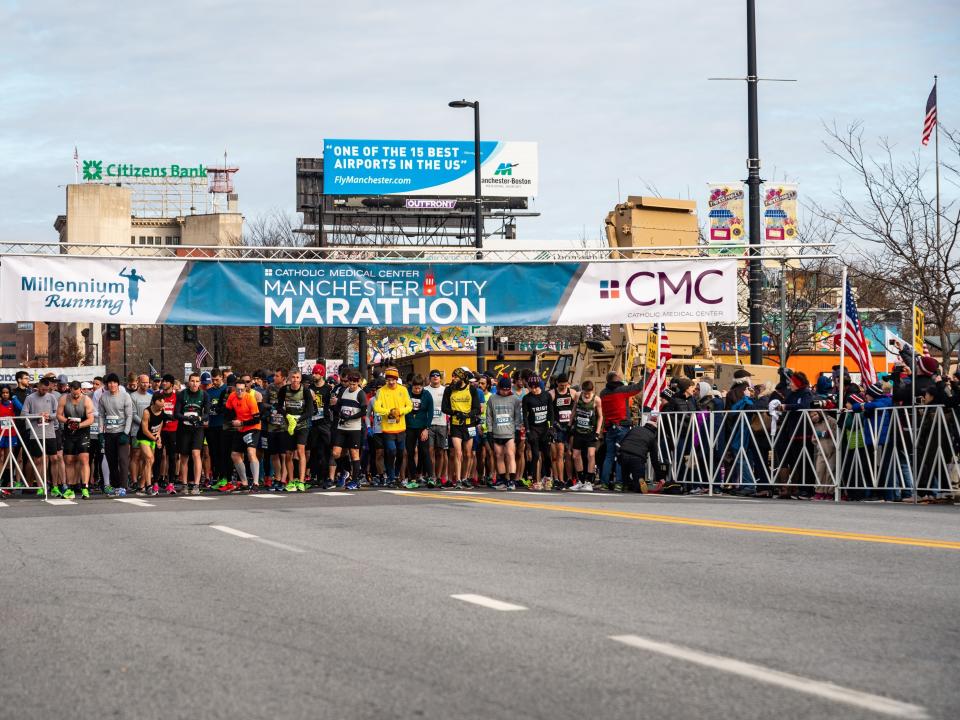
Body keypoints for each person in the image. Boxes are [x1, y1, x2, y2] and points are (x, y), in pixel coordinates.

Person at [599, 371, 644, 490]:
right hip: (622, 426)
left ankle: (604, 483)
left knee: (609, 456)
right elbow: (639, 387)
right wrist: (648, 374)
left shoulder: (603, 393)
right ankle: (619, 483)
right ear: (616, 379)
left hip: (609, 427)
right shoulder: (621, 390)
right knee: (620, 456)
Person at [442, 366, 481, 489]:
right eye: (452, 376)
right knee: (458, 453)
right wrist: (455, 412)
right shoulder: (449, 390)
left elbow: (477, 408)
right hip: (455, 424)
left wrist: (468, 414)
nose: (453, 379)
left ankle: (465, 477)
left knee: (468, 453)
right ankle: (458, 479)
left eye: (456, 377)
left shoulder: (472, 389)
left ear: (462, 378)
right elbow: (444, 408)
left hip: (469, 424)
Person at [277, 369, 315, 492]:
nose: (295, 380)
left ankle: (302, 481)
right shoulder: (284, 390)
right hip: (288, 425)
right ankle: (291, 481)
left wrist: (298, 419)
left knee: (300, 451)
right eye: (293, 377)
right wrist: (287, 416)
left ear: (300, 379)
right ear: (289, 378)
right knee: (288, 454)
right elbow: (278, 406)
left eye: (297, 377)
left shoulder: (306, 391)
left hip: (302, 425)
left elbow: (310, 411)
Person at [374, 367, 413, 488]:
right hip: (387, 428)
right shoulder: (381, 391)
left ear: (397, 379)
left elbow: (409, 406)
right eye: (388, 380)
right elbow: (377, 408)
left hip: (401, 428)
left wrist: (399, 411)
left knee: (401, 453)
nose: (391, 382)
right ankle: (391, 477)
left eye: (393, 380)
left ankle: (396, 475)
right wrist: (389, 412)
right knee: (391, 451)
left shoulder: (403, 390)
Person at [55, 381, 95, 499]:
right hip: (69, 432)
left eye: (78, 394)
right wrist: (68, 422)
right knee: (69, 460)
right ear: (70, 390)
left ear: (81, 390)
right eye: (74, 394)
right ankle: (70, 488)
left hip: (82, 431)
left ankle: (85, 487)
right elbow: (58, 415)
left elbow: (91, 419)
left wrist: (79, 425)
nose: (76, 396)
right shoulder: (63, 399)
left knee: (84, 459)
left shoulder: (86, 400)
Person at [328, 371, 367, 490]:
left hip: (354, 428)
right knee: (336, 453)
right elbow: (338, 404)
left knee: (354, 453)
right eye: (351, 383)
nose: (352, 386)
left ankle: (355, 481)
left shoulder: (360, 393)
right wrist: (338, 411)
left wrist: (350, 417)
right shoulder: (343, 391)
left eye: (355, 384)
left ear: (358, 382)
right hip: (342, 427)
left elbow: (363, 411)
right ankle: (345, 472)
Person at [21, 377, 60, 494]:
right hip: (36, 433)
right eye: (43, 389)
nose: (44, 392)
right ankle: (40, 486)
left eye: (47, 390)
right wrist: (38, 415)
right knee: (38, 460)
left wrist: (49, 416)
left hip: (50, 432)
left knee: (54, 458)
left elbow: (58, 413)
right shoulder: (30, 398)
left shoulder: (52, 397)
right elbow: (23, 414)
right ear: (38, 386)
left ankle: (55, 485)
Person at [99, 373, 135, 495]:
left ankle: (123, 486)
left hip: (122, 433)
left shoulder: (125, 396)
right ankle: (115, 486)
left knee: (123, 460)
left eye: (114, 382)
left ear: (118, 384)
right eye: (109, 383)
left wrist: (126, 433)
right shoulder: (103, 397)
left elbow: (129, 415)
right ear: (107, 385)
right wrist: (100, 432)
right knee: (111, 461)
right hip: (109, 433)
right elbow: (101, 416)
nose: (112, 385)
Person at [224, 377, 262, 492]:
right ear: (235, 389)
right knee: (235, 455)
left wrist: (242, 423)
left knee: (251, 452)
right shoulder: (232, 396)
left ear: (245, 389)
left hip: (253, 427)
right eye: (238, 390)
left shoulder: (250, 399)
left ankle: (255, 483)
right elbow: (227, 413)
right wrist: (233, 421)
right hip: (240, 428)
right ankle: (244, 482)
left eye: (242, 390)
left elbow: (256, 419)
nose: (239, 392)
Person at [175, 372, 210, 495]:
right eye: (192, 381)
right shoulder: (181, 394)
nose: (195, 384)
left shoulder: (204, 394)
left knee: (196, 453)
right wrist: (187, 418)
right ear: (188, 382)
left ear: (200, 383)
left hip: (197, 428)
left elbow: (207, 413)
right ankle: (184, 484)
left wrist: (199, 418)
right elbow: (176, 413)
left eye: (197, 381)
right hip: (184, 428)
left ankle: (196, 484)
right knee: (184, 456)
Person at [486, 376, 522, 490]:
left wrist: (517, 430)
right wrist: (490, 431)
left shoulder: (515, 399)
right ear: (498, 388)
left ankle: (512, 480)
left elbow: (517, 416)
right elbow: (489, 416)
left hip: (510, 433)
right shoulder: (492, 398)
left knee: (511, 455)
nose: (505, 392)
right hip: (497, 432)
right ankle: (502, 480)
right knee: (498, 456)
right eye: (503, 389)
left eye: (507, 389)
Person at [570, 380, 603, 491]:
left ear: (592, 390)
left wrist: (598, 432)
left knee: (591, 455)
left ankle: (589, 481)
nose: (587, 394)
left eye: (589, 392)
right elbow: (574, 409)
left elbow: (600, 417)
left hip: (590, 431)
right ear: (582, 390)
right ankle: (581, 480)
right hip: (579, 430)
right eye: (585, 392)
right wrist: (570, 424)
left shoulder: (596, 400)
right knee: (575, 455)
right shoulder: (578, 396)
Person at [522, 375, 554, 490]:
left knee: (547, 455)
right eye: (531, 387)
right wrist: (528, 431)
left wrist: (551, 428)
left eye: (535, 387)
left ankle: (547, 478)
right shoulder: (527, 398)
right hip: (533, 428)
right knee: (535, 455)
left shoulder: (547, 395)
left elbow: (551, 412)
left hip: (545, 428)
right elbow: (525, 416)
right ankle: (535, 480)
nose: (534, 390)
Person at [405, 375, 434, 488]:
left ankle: (430, 477)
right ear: (412, 386)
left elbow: (430, 413)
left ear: (422, 387)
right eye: (415, 388)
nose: (417, 390)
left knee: (425, 452)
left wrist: (427, 428)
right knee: (410, 453)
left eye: (419, 388)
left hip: (422, 427)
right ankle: (412, 479)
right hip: (409, 427)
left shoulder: (427, 395)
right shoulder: (407, 393)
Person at [618, 414, 660, 493]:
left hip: (623, 454)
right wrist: (660, 477)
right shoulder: (652, 437)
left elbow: (622, 442)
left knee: (625, 470)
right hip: (637, 458)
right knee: (639, 482)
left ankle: (626, 484)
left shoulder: (635, 429)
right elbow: (654, 459)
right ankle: (637, 483)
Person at [136, 393, 167, 496]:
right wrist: (155, 439)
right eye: (159, 406)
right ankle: (149, 486)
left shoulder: (162, 410)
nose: (161, 407)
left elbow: (160, 426)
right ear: (154, 403)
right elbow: (144, 430)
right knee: (150, 459)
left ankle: (141, 486)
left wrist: (158, 438)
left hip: (153, 438)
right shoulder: (147, 412)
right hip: (144, 438)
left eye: (162, 405)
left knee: (148, 462)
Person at [550, 374, 577, 489]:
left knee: (569, 454)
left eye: (565, 385)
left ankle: (570, 479)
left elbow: (579, 405)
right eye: (561, 385)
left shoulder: (572, 393)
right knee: (559, 454)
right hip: (558, 427)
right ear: (557, 383)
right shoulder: (552, 394)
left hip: (569, 427)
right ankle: (559, 479)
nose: (563, 387)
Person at [307, 364, 332, 488]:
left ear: (321, 374)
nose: (314, 375)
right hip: (313, 423)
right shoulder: (310, 388)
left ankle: (324, 477)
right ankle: (315, 476)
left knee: (324, 451)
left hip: (325, 423)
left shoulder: (327, 389)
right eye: (313, 373)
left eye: (316, 373)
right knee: (314, 451)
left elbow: (331, 405)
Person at [425, 370, 449, 485]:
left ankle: (439, 476)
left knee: (440, 452)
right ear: (429, 378)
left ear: (440, 378)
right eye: (433, 375)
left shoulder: (445, 390)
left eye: (437, 375)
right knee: (430, 451)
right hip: (428, 425)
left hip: (442, 424)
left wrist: (448, 424)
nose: (435, 377)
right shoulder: (425, 390)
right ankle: (432, 476)